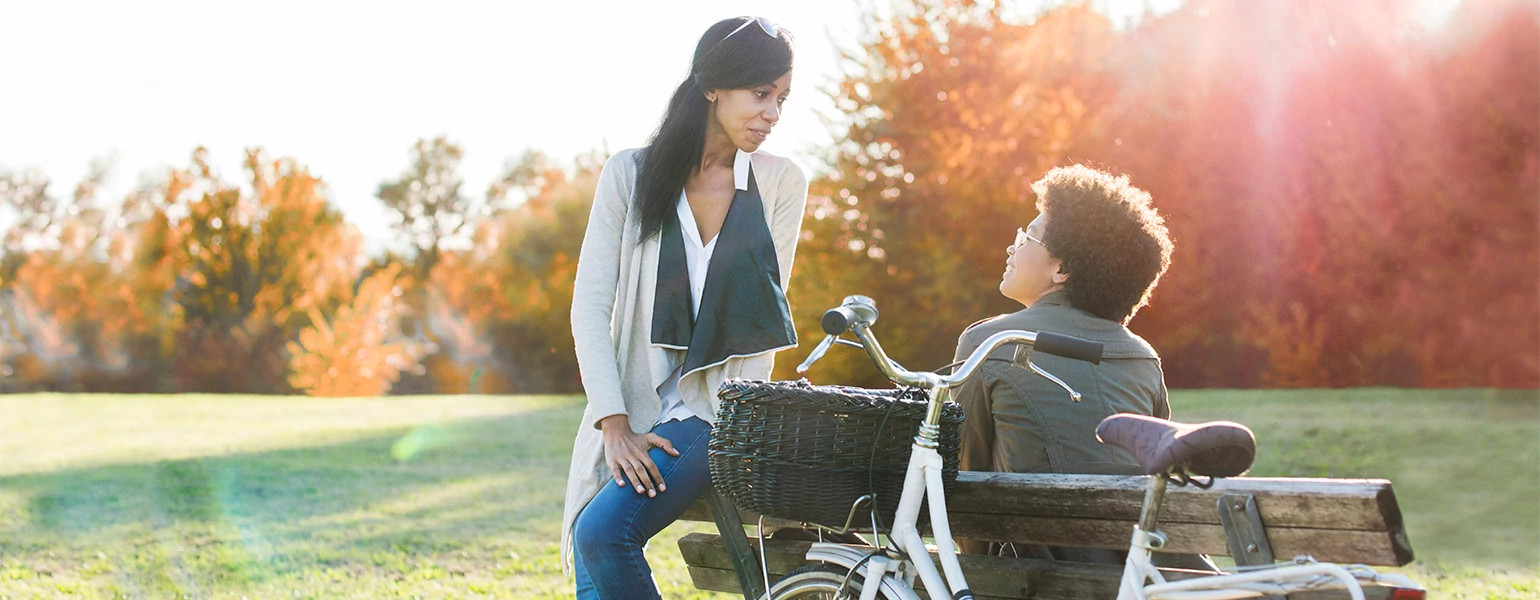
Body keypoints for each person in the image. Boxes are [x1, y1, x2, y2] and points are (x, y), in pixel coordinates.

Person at [560, 16, 807, 600]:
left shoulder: (780, 183)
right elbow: (591, 306)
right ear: (712, 86)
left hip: (717, 408)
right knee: (592, 568)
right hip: (631, 398)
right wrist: (614, 424)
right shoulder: (631, 173)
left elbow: (761, 317)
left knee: (603, 533)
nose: (773, 113)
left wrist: (730, 409)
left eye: (783, 99)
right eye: (761, 93)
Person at [953, 165, 1205, 567]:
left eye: (1026, 236)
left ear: (1061, 269)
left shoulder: (988, 343)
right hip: (1135, 578)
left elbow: (963, 481)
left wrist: (979, 577)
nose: (1011, 247)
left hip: (1032, 577)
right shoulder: (1143, 356)